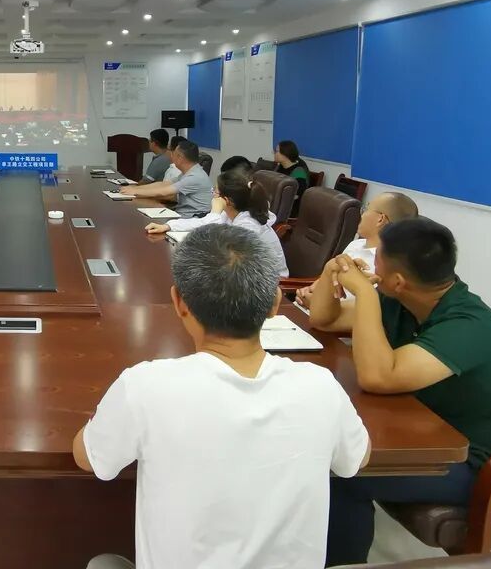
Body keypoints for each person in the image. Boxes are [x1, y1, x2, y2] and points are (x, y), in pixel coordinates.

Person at [74, 225, 370, 569]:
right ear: (275, 304)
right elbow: (357, 459)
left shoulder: (145, 386)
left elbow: (89, 457)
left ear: (179, 303)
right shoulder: (320, 386)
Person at [309, 218, 491, 566]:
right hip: (439, 438)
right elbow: (323, 319)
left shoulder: (467, 325)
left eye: (378, 259)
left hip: (490, 468)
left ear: (398, 281)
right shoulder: (406, 300)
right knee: (337, 455)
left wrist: (366, 295)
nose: (371, 264)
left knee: (345, 473)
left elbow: (378, 377)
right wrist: (331, 271)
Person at [145, 170, 288, 276]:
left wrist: (215, 212)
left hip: (268, 284)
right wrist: (168, 226)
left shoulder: (249, 225)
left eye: (215, 191)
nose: (212, 194)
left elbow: (220, 249)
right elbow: (203, 223)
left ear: (226, 201)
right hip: (244, 274)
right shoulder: (232, 214)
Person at [295, 191, 419, 307]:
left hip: (334, 318)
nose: (361, 214)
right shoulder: (356, 244)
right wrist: (309, 291)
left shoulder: (386, 265)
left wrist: (319, 305)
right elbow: (329, 278)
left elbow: (364, 309)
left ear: (380, 219)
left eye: (366, 209)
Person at [119, 139, 213, 217]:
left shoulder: (194, 177)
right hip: (182, 214)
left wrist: (135, 192)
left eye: (173, 153)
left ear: (180, 158)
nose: (171, 156)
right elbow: (164, 184)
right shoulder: (190, 172)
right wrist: (135, 188)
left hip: (191, 219)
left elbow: (164, 191)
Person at [274, 139, 310, 205]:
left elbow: (297, 195)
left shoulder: (299, 171)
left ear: (285, 153)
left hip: (290, 206)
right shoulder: (280, 166)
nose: (274, 154)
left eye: (277, 151)